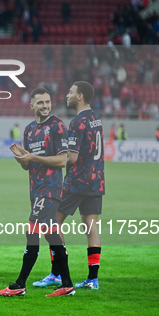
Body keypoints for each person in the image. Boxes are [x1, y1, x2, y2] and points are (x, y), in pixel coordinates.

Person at [0, 87, 74, 298]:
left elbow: (62, 160)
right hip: (35, 190)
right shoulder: (30, 129)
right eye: (40, 103)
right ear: (32, 106)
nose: (45, 106)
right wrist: (23, 158)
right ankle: (67, 284)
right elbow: (28, 166)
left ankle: (19, 284)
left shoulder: (57, 126)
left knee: (32, 231)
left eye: (48, 101)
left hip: (50, 189)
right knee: (51, 236)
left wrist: (32, 157)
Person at [33, 82, 105, 290]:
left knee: (51, 223)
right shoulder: (96, 119)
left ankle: (57, 272)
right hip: (96, 180)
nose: (67, 95)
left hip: (77, 181)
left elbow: (71, 159)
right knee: (91, 227)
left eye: (71, 92)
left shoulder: (77, 122)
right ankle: (93, 279)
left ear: (80, 96)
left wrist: (45, 157)